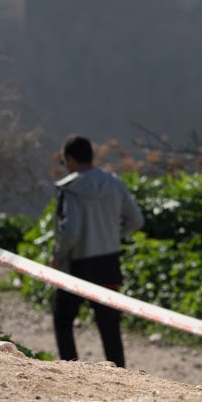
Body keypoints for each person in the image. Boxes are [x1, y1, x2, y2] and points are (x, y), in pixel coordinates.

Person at [51, 135, 144, 368]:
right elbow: (136, 220)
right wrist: (113, 235)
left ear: (71, 159)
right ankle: (118, 373)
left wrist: (58, 255)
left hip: (77, 263)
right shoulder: (115, 183)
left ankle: (70, 367)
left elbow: (70, 230)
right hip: (108, 261)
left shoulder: (70, 188)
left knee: (63, 319)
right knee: (109, 325)